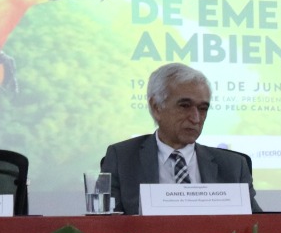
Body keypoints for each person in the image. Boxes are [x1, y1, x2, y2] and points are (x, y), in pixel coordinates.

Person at [99, 63, 260, 215]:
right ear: (156, 107)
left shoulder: (233, 166)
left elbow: (259, 229)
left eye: (202, 109)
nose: (196, 118)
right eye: (184, 106)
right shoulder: (122, 159)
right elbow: (106, 227)